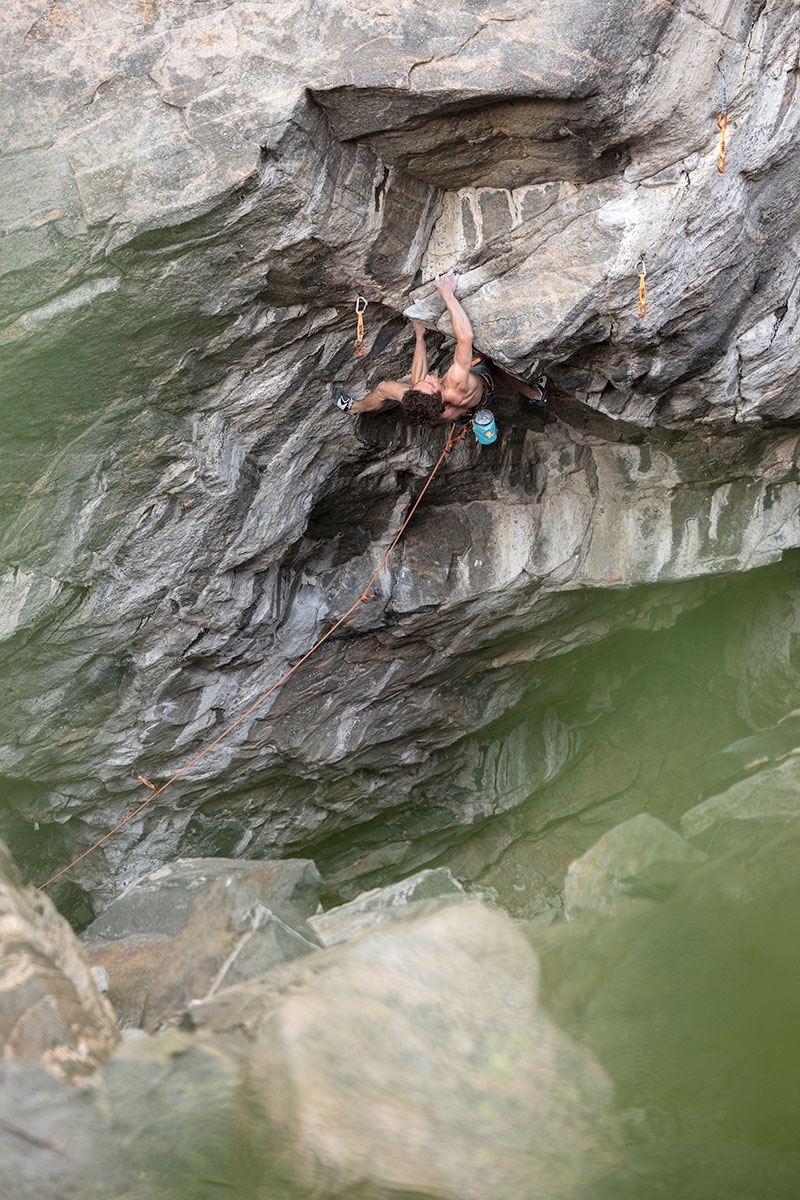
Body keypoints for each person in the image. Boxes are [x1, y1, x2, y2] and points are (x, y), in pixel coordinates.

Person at [331, 272, 547, 426]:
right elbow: (466, 338)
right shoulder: (455, 383)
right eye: (431, 383)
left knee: (384, 388)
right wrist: (447, 294)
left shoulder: (425, 403)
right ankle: (536, 394)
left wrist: (420, 336)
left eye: (424, 382)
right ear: (439, 397)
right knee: (492, 365)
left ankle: (355, 408)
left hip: (461, 412)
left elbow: (420, 384)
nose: (431, 376)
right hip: (479, 391)